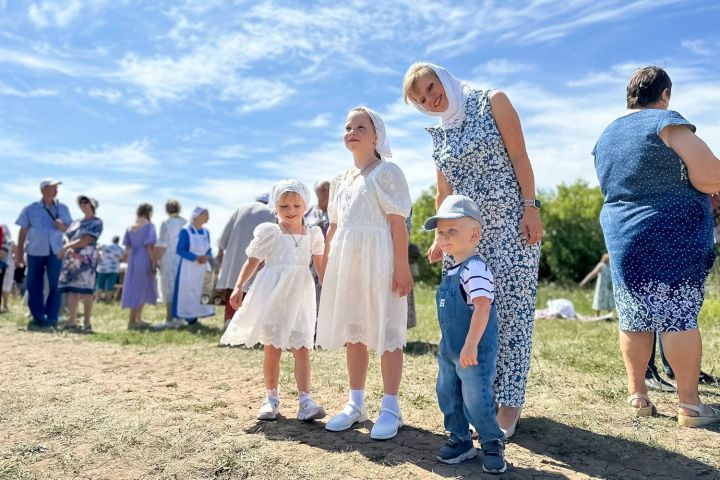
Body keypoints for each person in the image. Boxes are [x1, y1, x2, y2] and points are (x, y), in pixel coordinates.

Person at [403, 63, 542, 438]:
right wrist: (438, 236)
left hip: (511, 228)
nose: (431, 99)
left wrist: (531, 206)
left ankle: (509, 402)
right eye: (421, 99)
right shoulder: (439, 134)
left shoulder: (492, 101)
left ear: (444, 78)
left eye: (431, 88)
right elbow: (443, 192)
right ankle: (482, 397)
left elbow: (520, 157)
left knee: (511, 314)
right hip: (462, 239)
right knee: (469, 318)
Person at [593, 65, 720, 426]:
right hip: (669, 231)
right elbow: (709, 172)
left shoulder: (607, 134)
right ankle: (691, 405)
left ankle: (639, 398)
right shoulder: (666, 122)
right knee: (678, 315)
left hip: (622, 233)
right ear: (664, 94)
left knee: (634, 317)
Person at [316, 106, 413, 440]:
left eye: (360, 126)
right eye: (347, 127)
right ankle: (356, 402)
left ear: (376, 135)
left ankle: (391, 406)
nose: (352, 131)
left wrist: (401, 266)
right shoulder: (340, 180)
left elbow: (397, 222)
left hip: (381, 261)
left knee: (386, 330)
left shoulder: (387, 172)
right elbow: (334, 228)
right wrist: (327, 268)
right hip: (349, 263)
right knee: (353, 330)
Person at [221, 180, 326, 422]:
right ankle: (271, 399)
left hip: (301, 296)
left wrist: (331, 289)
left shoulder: (313, 234)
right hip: (273, 294)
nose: (290, 210)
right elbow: (252, 261)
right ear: (275, 208)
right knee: (273, 347)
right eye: (284, 206)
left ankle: (305, 401)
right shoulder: (270, 232)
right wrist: (239, 287)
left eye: (296, 205)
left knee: (302, 348)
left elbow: (322, 269)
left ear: (305, 205)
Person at [423, 195, 506, 473]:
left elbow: (483, 308)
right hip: (450, 350)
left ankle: (492, 442)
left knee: (476, 397)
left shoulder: (476, 268)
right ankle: (460, 439)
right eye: (440, 232)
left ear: (474, 235)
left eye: (451, 231)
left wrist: (470, 346)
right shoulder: (452, 271)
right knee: (447, 393)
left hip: (472, 351)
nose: (444, 237)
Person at [15, 179, 72, 328]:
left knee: (55, 284)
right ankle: (38, 316)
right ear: (43, 190)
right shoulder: (30, 208)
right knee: (34, 284)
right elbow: (23, 231)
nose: (55, 190)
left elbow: (70, 231)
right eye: (52, 187)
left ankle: (52, 317)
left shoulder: (64, 208)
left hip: (56, 251)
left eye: (56, 188)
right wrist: (20, 253)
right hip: (35, 251)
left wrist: (62, 227)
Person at [216, 194, 274, 327]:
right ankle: (245, 325)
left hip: (234, 255)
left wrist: (220, 250)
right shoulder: (271, 212)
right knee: (252, 289)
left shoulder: (241, 208)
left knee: (234, 287)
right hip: (256, 257)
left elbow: (225, 233)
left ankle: (229, 320)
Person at [58, 196, 103, 332]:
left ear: (93, 205)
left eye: (85, 202)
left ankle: (87, 323)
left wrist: (67, 247)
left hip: (86, 259)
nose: (82, 204)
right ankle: (72, 322)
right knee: (72, 290)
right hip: (71, 259)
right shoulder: (76, 222)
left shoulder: (97, 222)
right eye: (81, 202)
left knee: (86, 291)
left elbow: (87, 239)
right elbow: (66, 235)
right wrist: (68, 246)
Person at [171, 207, 214, 325]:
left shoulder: (206, 232)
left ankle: (197, 316)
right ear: (197, 216)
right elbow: (180, 250)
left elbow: (209, 248)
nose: (208, 217)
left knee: (201, 290)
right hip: (188, 267)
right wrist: (195, 257)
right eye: (206, 215)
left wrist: (207, 256)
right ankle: (187, 316)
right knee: (188, 290)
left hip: (203, 266)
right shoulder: (185, 230)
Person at [120, 203, 157, 329]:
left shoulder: (130, 226)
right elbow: (150, 247)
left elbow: (127, 246)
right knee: (140, 288)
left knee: (136, 287)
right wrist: (154, 262)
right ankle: (132, 321)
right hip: (144, 257)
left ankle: (137, 318)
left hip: (133, 258)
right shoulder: (149, 226)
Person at [155, 199, 187, 328]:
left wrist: (155, 259)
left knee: (168, 288)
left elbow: (162, 244)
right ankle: (180, 317)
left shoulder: (166, 223)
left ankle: (169, 319)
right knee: (179, 288)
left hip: (168, 259)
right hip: (182, 259)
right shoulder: (185, 222)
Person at [95, 236, 124, 303]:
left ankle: (97, 299)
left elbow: (96, 248)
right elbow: (123, 257)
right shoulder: (120, 249)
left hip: (103, 267)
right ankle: (108, 300)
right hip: (114, 268)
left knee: (100, 284)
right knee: (110, 285)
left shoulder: (105, 246)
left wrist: (98, 257)